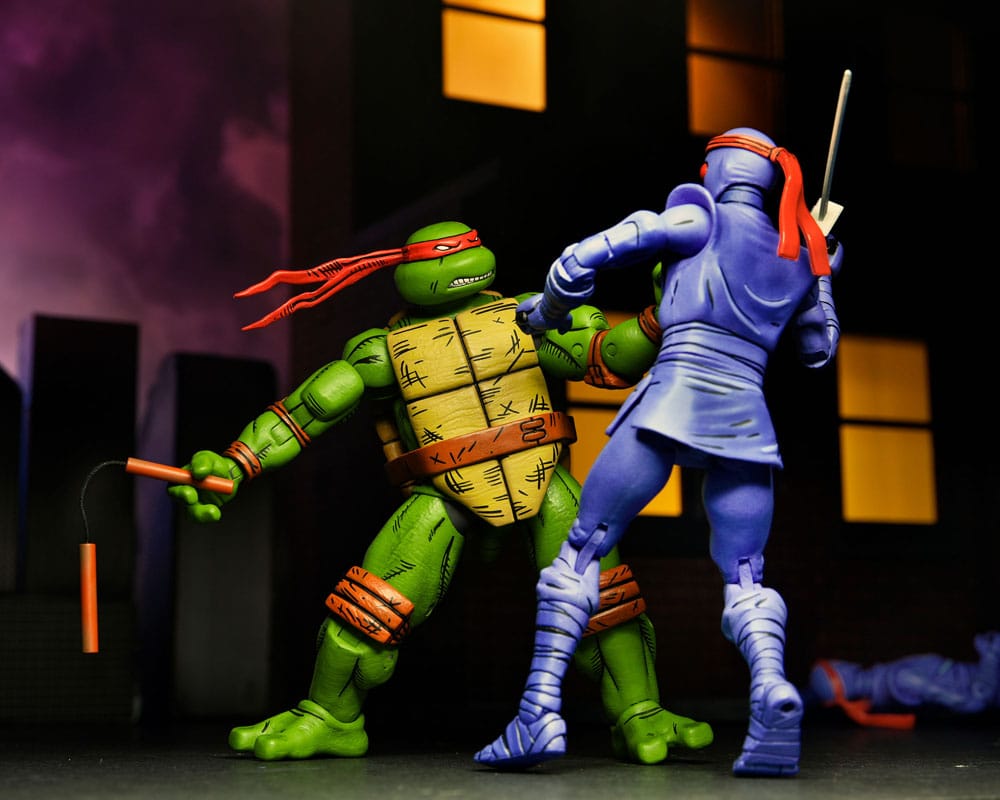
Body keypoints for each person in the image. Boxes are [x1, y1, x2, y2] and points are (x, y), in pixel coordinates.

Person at [168, 220, 713, 763]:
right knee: (368, 606)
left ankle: (640, 712)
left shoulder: (531, 316)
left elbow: (605, 358)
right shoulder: (382, 352)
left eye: (463, 248)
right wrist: (236, 462)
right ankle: (330, 717)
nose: (455, 259)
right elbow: (308, 410)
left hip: (542, 474)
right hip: (444, 492)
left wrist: (659, 316)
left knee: (604, 598)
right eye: (441, 254)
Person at [474, 128, 843, 777]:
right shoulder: (800, 251)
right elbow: (818, 348)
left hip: (670, 402)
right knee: (746, 575)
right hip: (746, 421)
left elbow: (581, 259)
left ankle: (538, 710)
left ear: (716, 170)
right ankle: (769, 687)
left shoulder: (700, 217)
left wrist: (548, 312)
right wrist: (818, 267)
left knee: (581, 549)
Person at [804, 632, 1000, 728]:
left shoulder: (893, 678)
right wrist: (991, 654)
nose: (841, 662)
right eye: (836, 664)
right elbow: (974, 702)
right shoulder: (902, 678)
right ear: (842, 674)